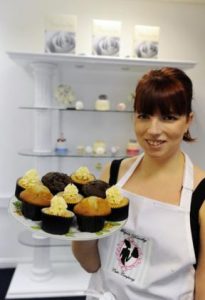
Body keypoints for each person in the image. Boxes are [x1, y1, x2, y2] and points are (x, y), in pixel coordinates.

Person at [72, 67, 205, 300]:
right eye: (144, 115)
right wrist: (77, 227)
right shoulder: (111, 174)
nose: (153, 130)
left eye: (168, 117)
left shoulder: (201, 195)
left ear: (188, 121)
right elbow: (91, 265)